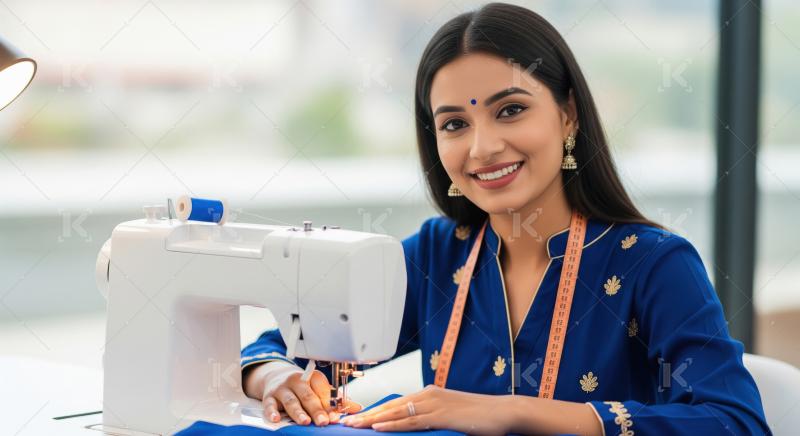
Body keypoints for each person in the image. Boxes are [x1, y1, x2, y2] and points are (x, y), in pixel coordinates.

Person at [241, 3, 770, 434]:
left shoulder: (654, 265)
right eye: (454, 124)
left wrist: (508, 411)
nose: (483, 147)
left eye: (510, 110)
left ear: (568, 115)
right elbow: (289, 345)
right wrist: (275, 377)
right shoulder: (436, 254)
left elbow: (734, 421)